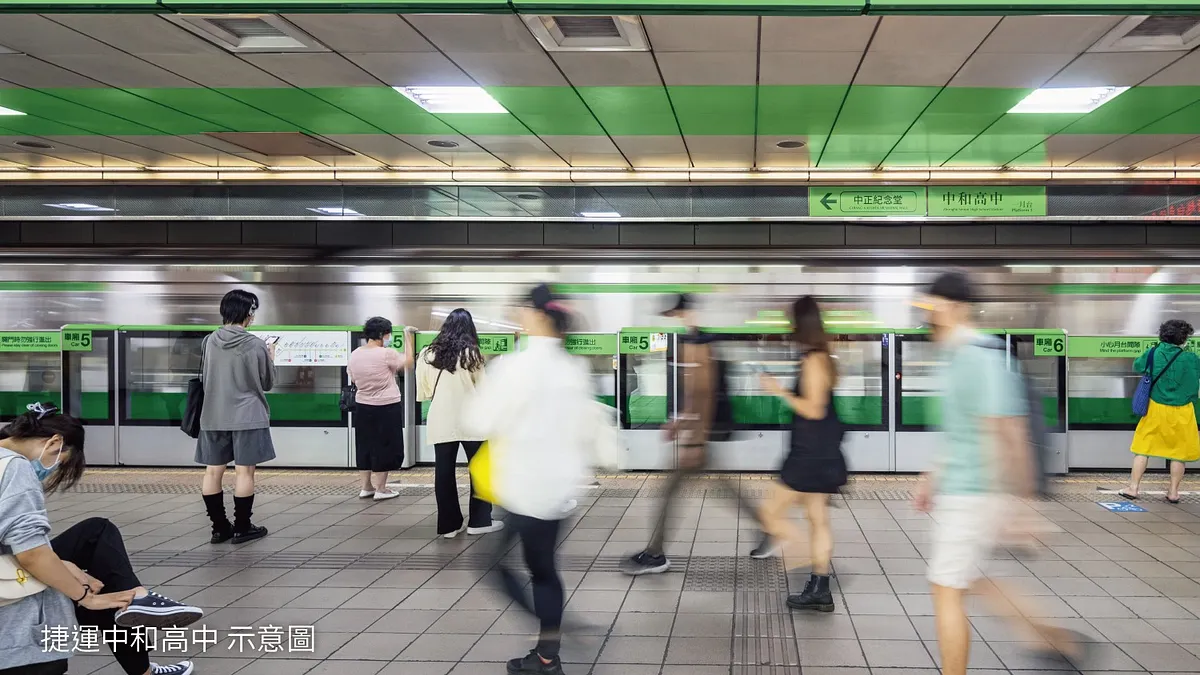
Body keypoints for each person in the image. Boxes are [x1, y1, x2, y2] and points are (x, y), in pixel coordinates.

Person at [913, 272, 1084, 675]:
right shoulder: (954, 357)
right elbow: (960, 430)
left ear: (958, 308)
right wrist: (931, 477)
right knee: (971, 580)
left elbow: (1009, 432)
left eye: (934, 306)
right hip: (962, 491)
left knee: (946, 590)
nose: (928, 315)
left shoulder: (979, 357)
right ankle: (1057, 640)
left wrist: (1021, 505)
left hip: (974, 495)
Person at [0, 402, 202, 675]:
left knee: (96, 538)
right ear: (54, 442)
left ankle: (137, 608)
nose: (51, 472)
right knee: (106, 593)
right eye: (60, 464)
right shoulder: (15, 468)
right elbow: (31, 554)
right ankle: (137, 605)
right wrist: (85, 597)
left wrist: (62, 565)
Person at [466, 284, 592, 675]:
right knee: (543, 570)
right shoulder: (573, 367)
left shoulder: (515, 366)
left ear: (538, 315)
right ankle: (548, 650)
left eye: (522, 308)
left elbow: (479, 420)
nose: (517, 314)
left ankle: (551, 638)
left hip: (524, 486)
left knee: (493, 565)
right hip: (559, 488)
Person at [622, 293, 762, 575]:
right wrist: (679, 421)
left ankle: (655, 553)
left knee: (669, 491)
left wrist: (695, 443)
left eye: (669, 314)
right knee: (725, 490)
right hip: (699, 434)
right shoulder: (692, 339)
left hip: (700, 438)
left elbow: (704, 393)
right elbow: (693, 395)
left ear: (680, 313)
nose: (667, 320)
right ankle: (769, 528)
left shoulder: (697, 343)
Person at [757, 296, 848, 612]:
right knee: (817, 519)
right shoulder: (823, 357)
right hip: (822, 451)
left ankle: (802, 560)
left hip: (809, 454)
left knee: (769, 514)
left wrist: (778, 390)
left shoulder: (813, 360)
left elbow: (813, 408)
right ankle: (819, 588)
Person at [197, 289, 275, 545]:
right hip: (248, 416)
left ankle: (220, 528)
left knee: (212, 472)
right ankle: (242, 527)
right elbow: (267, 382)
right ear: (249, 313)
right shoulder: (255, 344)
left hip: (213, 414)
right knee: (245, 473)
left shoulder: (209, 341)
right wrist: (271, 358)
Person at [417, 308, 502, 537]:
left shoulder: (426, 354)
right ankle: (479, 522)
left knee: (444, 472)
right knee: (480, 469)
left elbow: (424, 392)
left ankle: (449, 526)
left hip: (441, 419)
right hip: (471, 419)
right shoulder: (471, 353)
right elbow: (483, 391)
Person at [1119, 319, 1200, 504]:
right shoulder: (1191, 358)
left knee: (1142, 448)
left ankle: (1133, 488)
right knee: (1179, 453)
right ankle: (1173, 492)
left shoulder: (1153, 353)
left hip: (1155, 408)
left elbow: (1137, 366)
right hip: (1183, 411)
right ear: (1183, 339)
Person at [348, 317, 414, 501]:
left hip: (363, 406)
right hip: (386, 406)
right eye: (388, 334)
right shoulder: (386, 353)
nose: (389, 337)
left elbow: (353, 378)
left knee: (365, 445)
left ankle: (366, 487)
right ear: (382, 334)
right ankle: (381, 489)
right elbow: (408, 362)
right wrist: (409, 339)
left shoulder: (355, 354)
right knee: (384, 445)